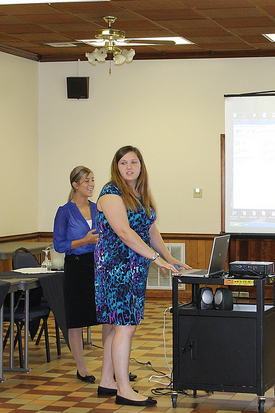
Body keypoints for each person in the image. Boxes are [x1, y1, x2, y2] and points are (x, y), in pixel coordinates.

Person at [94, 145, 190, 407]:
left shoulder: (138, 192)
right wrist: (155, 258)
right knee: (126, 325)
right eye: (123, 163)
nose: (129, 167)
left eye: (133, 162)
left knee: (118, 324)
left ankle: (107, 381)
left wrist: (168, 257)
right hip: (116, 269)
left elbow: (149, 228)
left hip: (134, 268)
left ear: (141, 165)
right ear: (116, 167)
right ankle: (124, 390)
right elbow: (124, 232)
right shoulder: (111, 192)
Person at [53, 166, 100, 383]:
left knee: (108, 317)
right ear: (75, 184)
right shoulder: (65, 211)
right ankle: (81, 368)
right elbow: (59, 245)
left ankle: (113, 366)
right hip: (76, 267)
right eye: (86, 181)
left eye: (92, 180)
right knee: (76, 320)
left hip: (98, 266)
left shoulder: (98, 208)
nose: (91, 184)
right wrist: (84, 241)